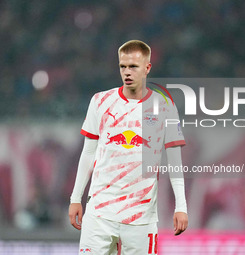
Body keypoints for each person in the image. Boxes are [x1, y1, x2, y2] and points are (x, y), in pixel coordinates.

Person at [69, 40, 188, 254]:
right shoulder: (100, 101)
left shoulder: (164, 106)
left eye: (133, 66)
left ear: (147, 68)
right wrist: (75, 198)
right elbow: (88, 153)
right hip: (99, 212)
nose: (127, 72)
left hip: (141, 217)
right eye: (122, 66)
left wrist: (181, 206)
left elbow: (175, 161)